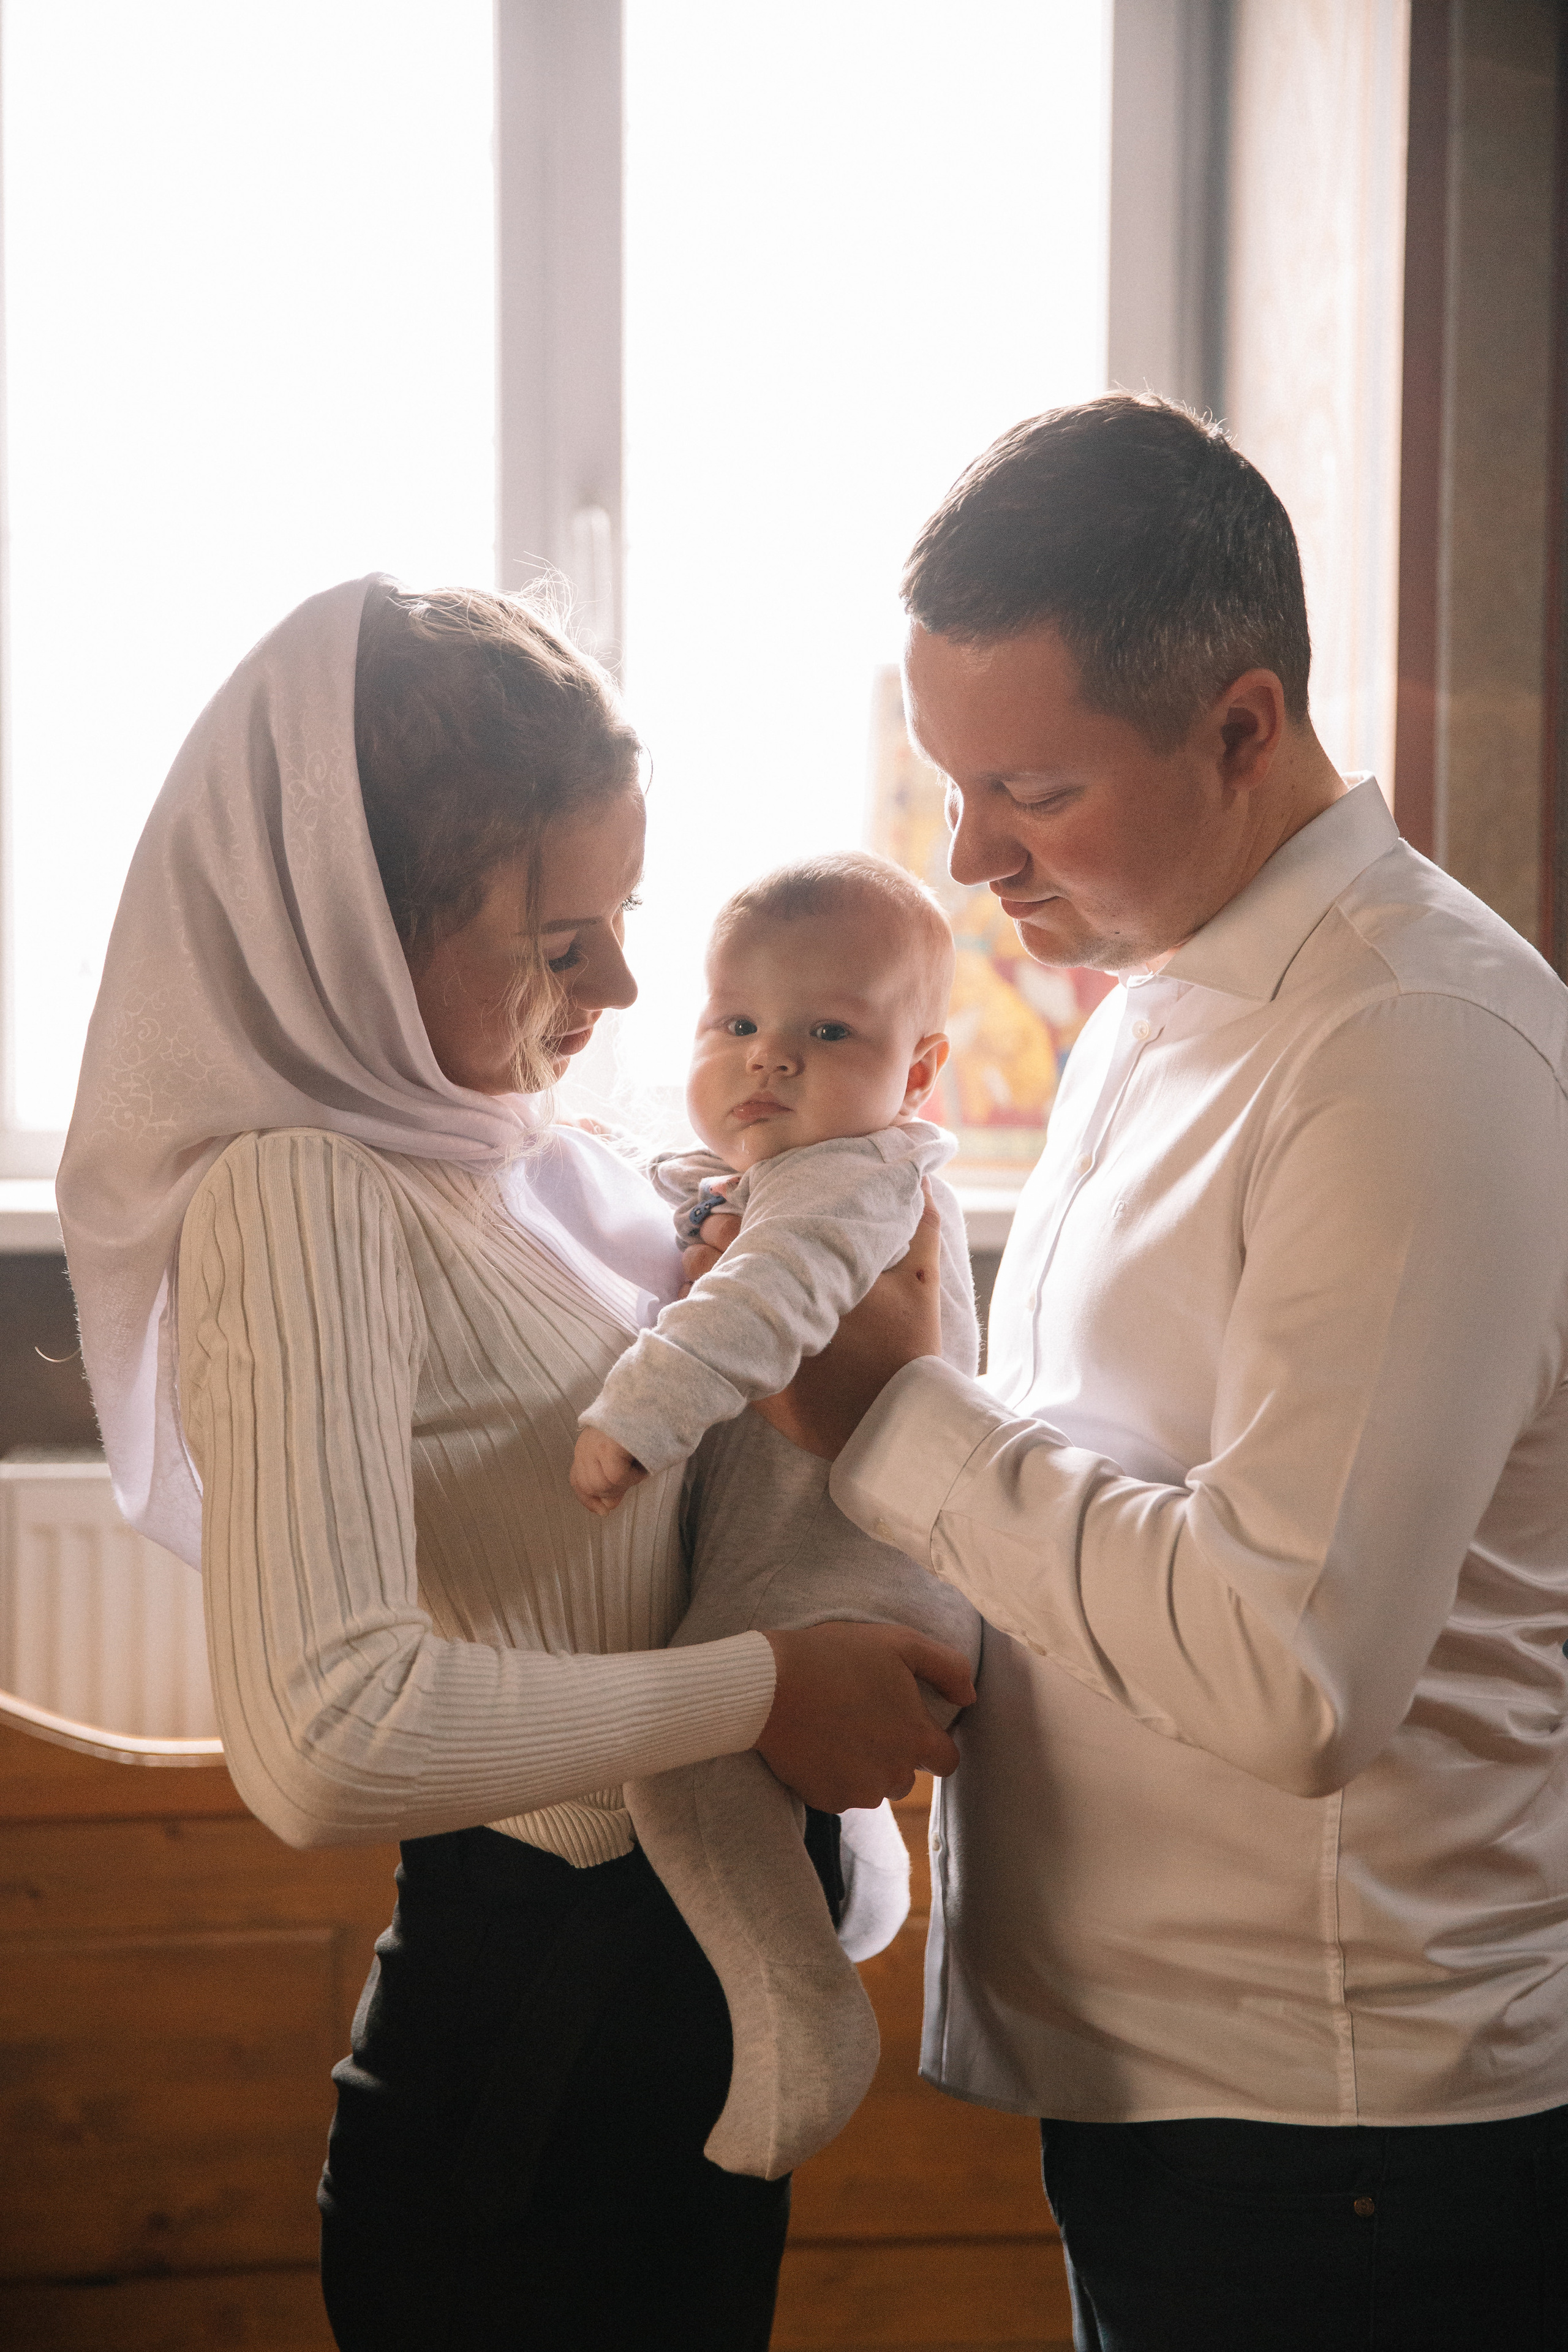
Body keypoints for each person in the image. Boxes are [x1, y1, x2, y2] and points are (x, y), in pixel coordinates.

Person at [56, 576, 973, 2352]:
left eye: (625, 912)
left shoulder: (515, 1154)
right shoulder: (304, 1193)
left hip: (663, 2036)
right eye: (563, 941)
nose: (630, 985)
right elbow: (326, 1744)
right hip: (530, 2080)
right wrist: (771, 1684)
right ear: (352, 931)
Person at [736, 394, 1568, 2351]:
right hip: (1185, 2100)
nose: (967, 859)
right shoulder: (1158, 996)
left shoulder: (1409, 1049)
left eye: (1029, 789)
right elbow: (1113, 1480)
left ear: (1244, 728)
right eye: (950, 782)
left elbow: (1294, 1671)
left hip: (1350, 2141)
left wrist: (884, 1421)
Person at [570, 853, 983, 2182]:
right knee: (778, 1768)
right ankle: (860, 1877)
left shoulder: (853, 1184)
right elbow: (705, 1205)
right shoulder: (790, 1173)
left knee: (679, 1758)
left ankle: (798, 2008)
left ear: (915, 1076)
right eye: (736, 1025)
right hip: (844, 1569)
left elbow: (756, 1309)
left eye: (827, 1033)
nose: (771, 1062)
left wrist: (634, 1418)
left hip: (841, 1585)